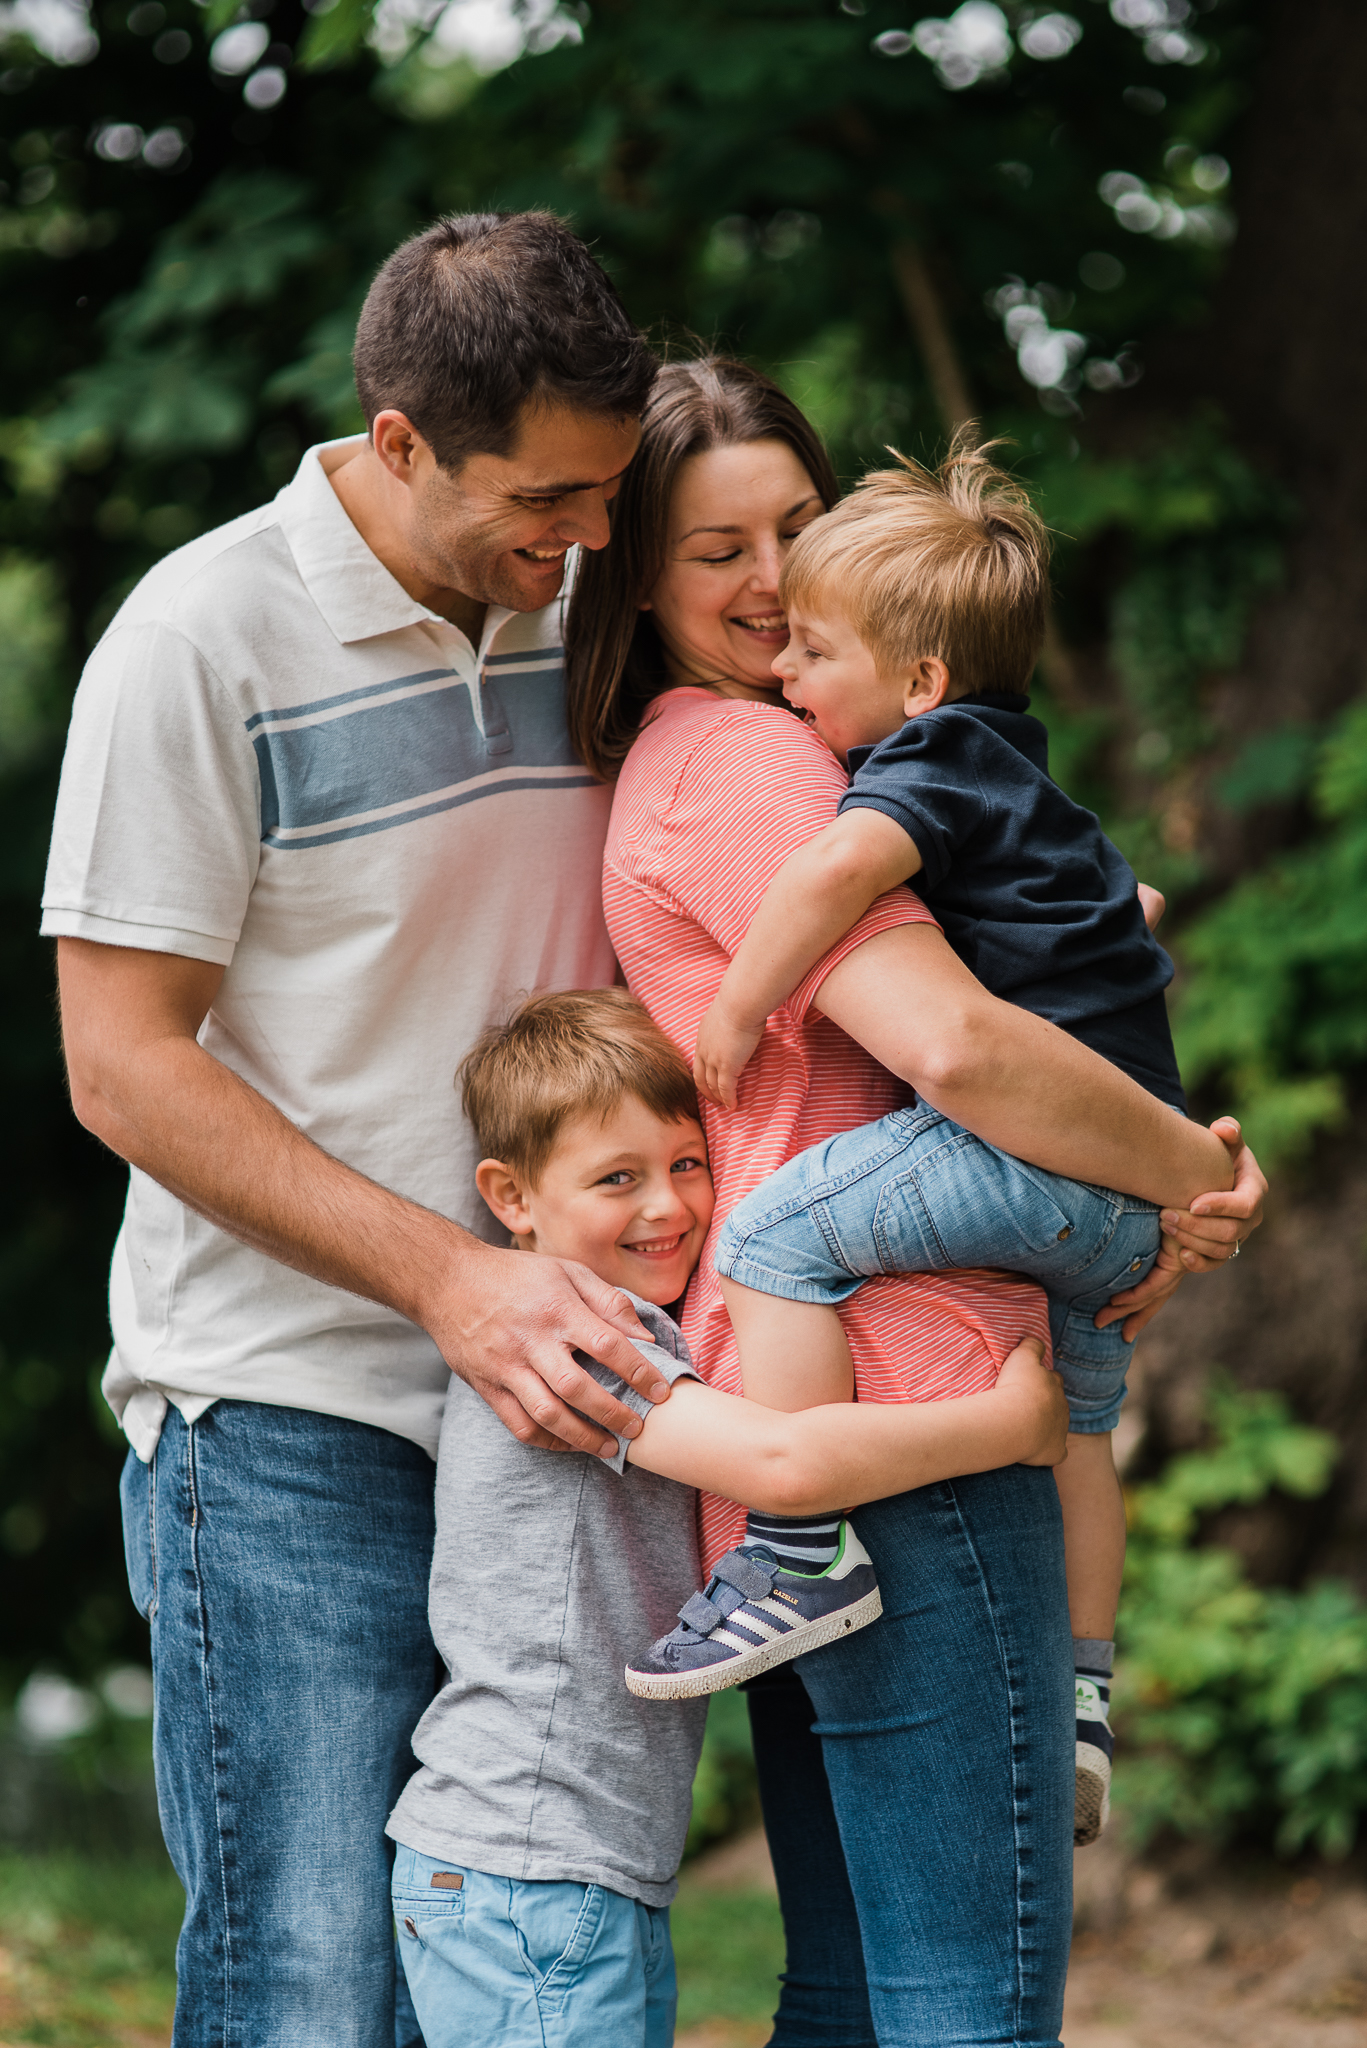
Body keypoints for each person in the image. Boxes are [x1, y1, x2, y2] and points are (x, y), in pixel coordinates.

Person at [565, 353, 1267, 2046]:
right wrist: (1186, 1175)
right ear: (638, 574)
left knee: (860, 1991)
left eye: (793, 529)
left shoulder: (728, 754)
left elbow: (1048, 946)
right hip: (922, 1397)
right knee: (969, 1999)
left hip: (836, 1409)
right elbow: (953, 1040)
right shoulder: (759, 768)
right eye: (711, 546)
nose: (766, 579)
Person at [41, 212, 673, 2047]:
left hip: (555, 1415)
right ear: (398, 440)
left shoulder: (601, 604)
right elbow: (123, 1065)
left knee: (502, 1980)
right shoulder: (197, 635)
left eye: (606, 493)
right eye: (541, 499)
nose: (582, 540)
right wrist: (454, 1283)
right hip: (288, 1407)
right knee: (311, 1989)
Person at [665, 434, 1216, 1843]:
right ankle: (1084, 1693)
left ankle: (795, 1550)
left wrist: (737, 1003)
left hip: (1042, 1170)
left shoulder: (918, 763)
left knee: (773, 1232)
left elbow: (834, 869)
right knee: (1081, 1428)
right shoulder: (1024, 777)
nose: (788, 676)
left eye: (814, 653)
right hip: (1119, 1192)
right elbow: (1131, 913)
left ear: (913, 684)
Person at [389, 987, 1066, 2048]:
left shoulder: (636, 1312)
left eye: (686, 1163)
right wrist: (1006, 1422)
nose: (667, 1206)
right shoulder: (568, 1338)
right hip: (525, 1865)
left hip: (569, 1864)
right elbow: (785, 1463)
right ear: (509, 1194)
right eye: (617, 1178)